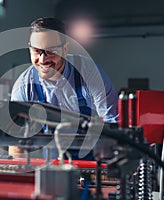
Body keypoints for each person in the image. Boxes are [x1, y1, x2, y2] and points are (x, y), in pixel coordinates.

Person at [10, 17, 118, 159]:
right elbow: (16, 144)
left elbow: (111, 122)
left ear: (65, 49)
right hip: (54, 164)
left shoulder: (89, 72)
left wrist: (103, 172)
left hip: (94, 159)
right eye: (37, 51)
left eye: (50, 51)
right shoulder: (24, 87)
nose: (43, 60)